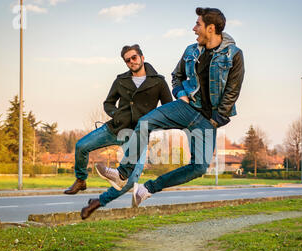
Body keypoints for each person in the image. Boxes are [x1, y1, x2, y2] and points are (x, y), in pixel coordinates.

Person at [82, 7, 244, 218]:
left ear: (211, 28)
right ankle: (122, 174)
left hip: (208, 119)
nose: (194, 29)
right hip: (186, 107)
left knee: (199, 168)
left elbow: (233, 91)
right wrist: (179, 93)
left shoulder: (234, 55)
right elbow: (176, 75)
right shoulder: (191, 50)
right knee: (145, 122)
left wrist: (215, 120)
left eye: (198, 24)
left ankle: (148, 189)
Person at [64, 45, 172, 203]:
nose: (131, 62)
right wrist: (116, 115)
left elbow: (168, 107)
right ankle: (81, 180)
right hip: (115, 128)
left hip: (138, 135)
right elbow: (108, 103)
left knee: (131, 177)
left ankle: (100, 201)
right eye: (127, 60)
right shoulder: (121, 80)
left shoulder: (158, 82)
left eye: (134, 58)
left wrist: (153, 123)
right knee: (81, 146)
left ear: (142, 57)